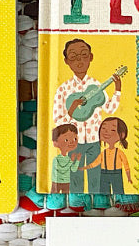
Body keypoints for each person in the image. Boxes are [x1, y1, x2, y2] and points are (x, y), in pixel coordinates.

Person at [50, 38, 122, 193]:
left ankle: (96, 202)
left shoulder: (96, 87)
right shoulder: (63, 89)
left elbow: (109, 109)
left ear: (91, 57)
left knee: (95, 176)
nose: (79, 61)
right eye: (73, 57)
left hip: (94, 140)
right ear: (66, 61)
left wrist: (117, 90)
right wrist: (72, 110)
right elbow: (57, 120)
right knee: (75, 177)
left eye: (84, 55)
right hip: (73, 142)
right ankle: (77, 202)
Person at [84, 117, 131, 195]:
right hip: (104, 174)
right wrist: (86, 167)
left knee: (118, 191)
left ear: (122, 135)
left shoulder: (119, 152)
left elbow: (126, 165)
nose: (106, 132)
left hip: (116, 174)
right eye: (103, 128)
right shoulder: (103, 152)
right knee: (103, 192)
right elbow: (96, 162)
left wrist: (129, 177)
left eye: (112, 130)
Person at [50, 124, 81, 193]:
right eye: (66, 140)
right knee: (54, 194)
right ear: (55, 143)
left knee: (66, 195)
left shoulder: (68, 159)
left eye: (75, 139)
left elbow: (73, 169)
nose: (71, 142)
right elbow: (62, 169)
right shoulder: (56, 159)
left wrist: (77, 160)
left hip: (67, 182)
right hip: (56, 182)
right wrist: (71, 161)